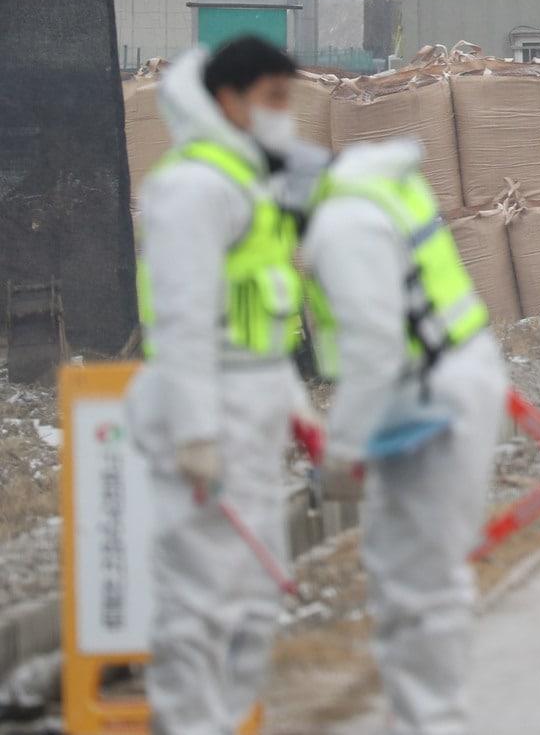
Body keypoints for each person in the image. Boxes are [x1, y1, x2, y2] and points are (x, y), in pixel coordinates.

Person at [124, 37, 320, 735]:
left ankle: (228, 722)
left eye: (285, 99)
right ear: (226, 99)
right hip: (205, 419)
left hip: (250, 411)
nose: (281, 114)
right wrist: (196, 431)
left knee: (252, 596)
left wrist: (297, 412)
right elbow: (181, 320)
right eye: (271, 99)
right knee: (200, 602)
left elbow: (259, 328)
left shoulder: (247, 182)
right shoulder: (193, 186)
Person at [301, 138, 508, 734]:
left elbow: (373, 347)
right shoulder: (371, 196)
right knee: (405, 573)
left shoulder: (342, 225)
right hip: (432, 390)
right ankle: (416, 717)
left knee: (423, 580)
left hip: (431, 398)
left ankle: (431, 721)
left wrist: (340, 450)